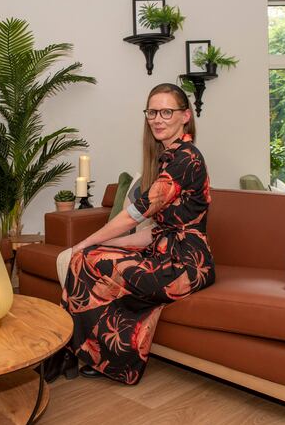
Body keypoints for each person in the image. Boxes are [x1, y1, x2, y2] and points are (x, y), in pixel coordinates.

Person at [57, 83, 215, 385]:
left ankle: (75, 353)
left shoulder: (186, 159)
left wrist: (88, 240)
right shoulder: (168, 158)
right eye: (152, 112)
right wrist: (102, 243)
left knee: (88, 258)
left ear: (185, 116)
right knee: (87, 258)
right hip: (164, 255)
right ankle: (88, 354)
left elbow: (136, 214)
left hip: (187, 266)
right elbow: (154, 233)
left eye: (166, 111)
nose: (157, 118)